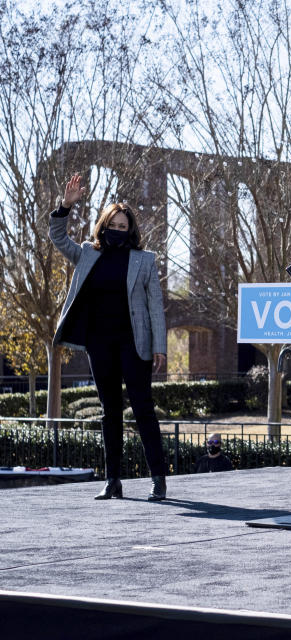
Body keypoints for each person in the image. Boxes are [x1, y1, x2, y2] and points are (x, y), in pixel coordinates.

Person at [50, 174, 169, 501]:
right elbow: (58, 238)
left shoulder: (145, 260)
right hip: (99, 343)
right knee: (109, 410)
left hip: (134, 342)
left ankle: (158, 478)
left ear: (130, 230)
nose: (117, 229)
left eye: (123, 226)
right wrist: (65, 206)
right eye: (113, 224)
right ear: (103, 225)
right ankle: (113, 480)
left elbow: (155, 306)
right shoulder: (88, 253)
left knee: (143, 408)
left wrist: (160, 346)